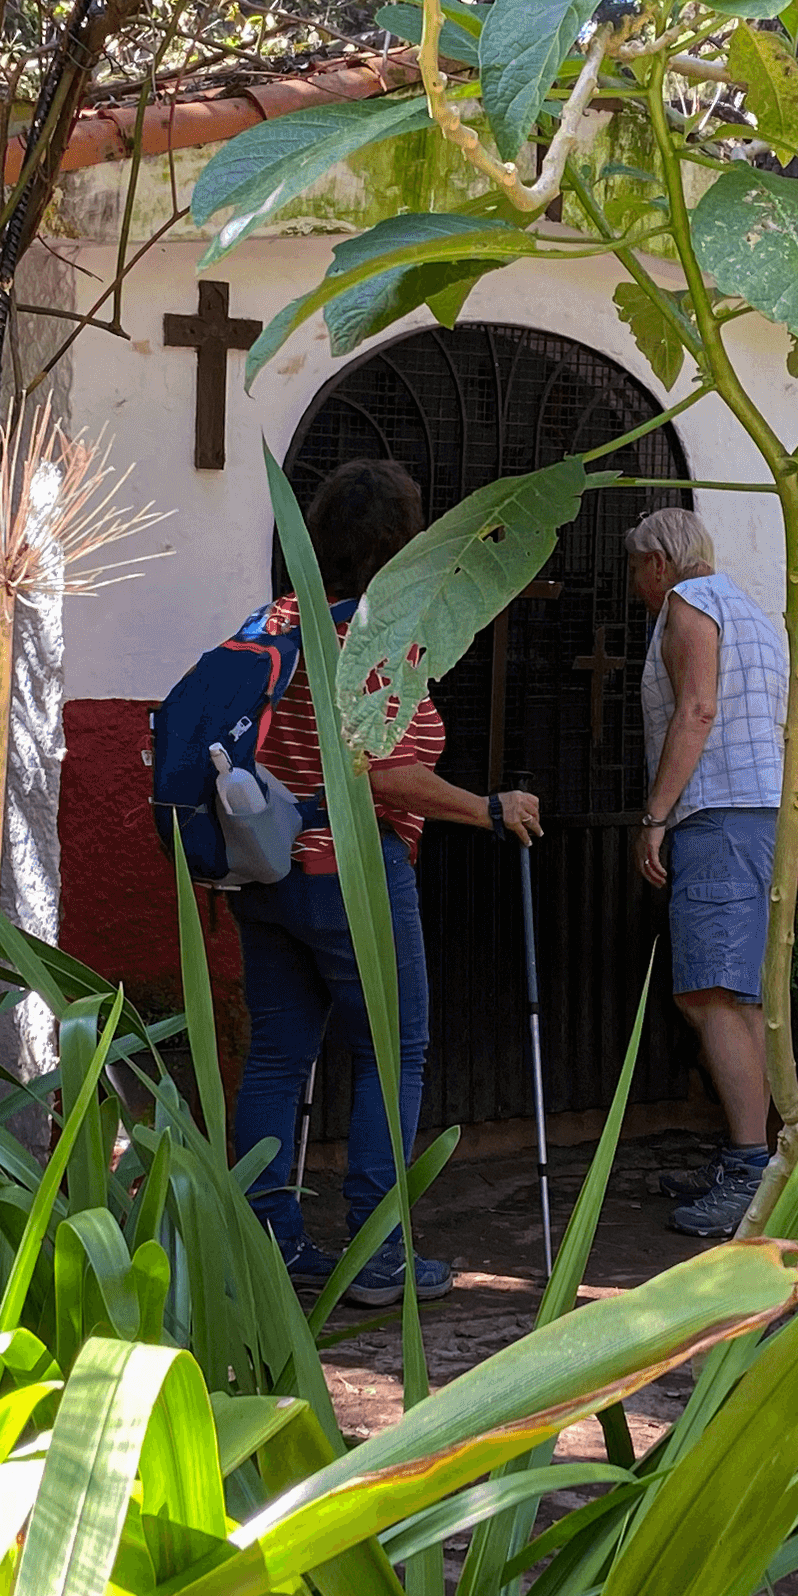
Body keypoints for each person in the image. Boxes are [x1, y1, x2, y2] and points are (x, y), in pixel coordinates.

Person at [231, 457, 543, 1305]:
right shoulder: (371, 638)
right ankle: (375, 1258)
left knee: (277, 1059)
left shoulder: (274, 625)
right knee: (391, 1054)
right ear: (404, 543)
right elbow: (384, 773)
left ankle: (266, 1242)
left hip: (268, 872)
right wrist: (486, 806)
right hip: (356, 876)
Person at [624, 507, 791, 1238]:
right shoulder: (750, 608)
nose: (634, 582)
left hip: (716, 814)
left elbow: (696, 710)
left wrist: (655, 814)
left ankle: (751, 1171)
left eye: (636, 566)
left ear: (659, 562)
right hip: (759, 813)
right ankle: (744, 1159)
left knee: (711, 994)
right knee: (734, 994)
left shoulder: (689, 604)